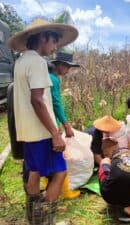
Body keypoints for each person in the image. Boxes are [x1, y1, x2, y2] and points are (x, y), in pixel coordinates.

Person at [7, 18, 78, 224]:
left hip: (28, 131)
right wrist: (56, 134)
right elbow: (38, 100)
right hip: (41, 132)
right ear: (43, 37)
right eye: (54, 41)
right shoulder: (38, 62)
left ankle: (33, 217)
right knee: (60, 172)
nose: (55, 47)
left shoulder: (21, 61)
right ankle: (45, 219)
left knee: (35, 172)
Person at [45, 51, 81, 199]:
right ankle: (65, 192)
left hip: (44, 124)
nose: (68, 71)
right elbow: (56, 103)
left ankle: (49, 189)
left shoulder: (46, 77)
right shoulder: (53, 79)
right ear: (60, 65)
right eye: (67, 67)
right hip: (51, 124)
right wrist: (66, 125)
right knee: (59, 161)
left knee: (48, 159)